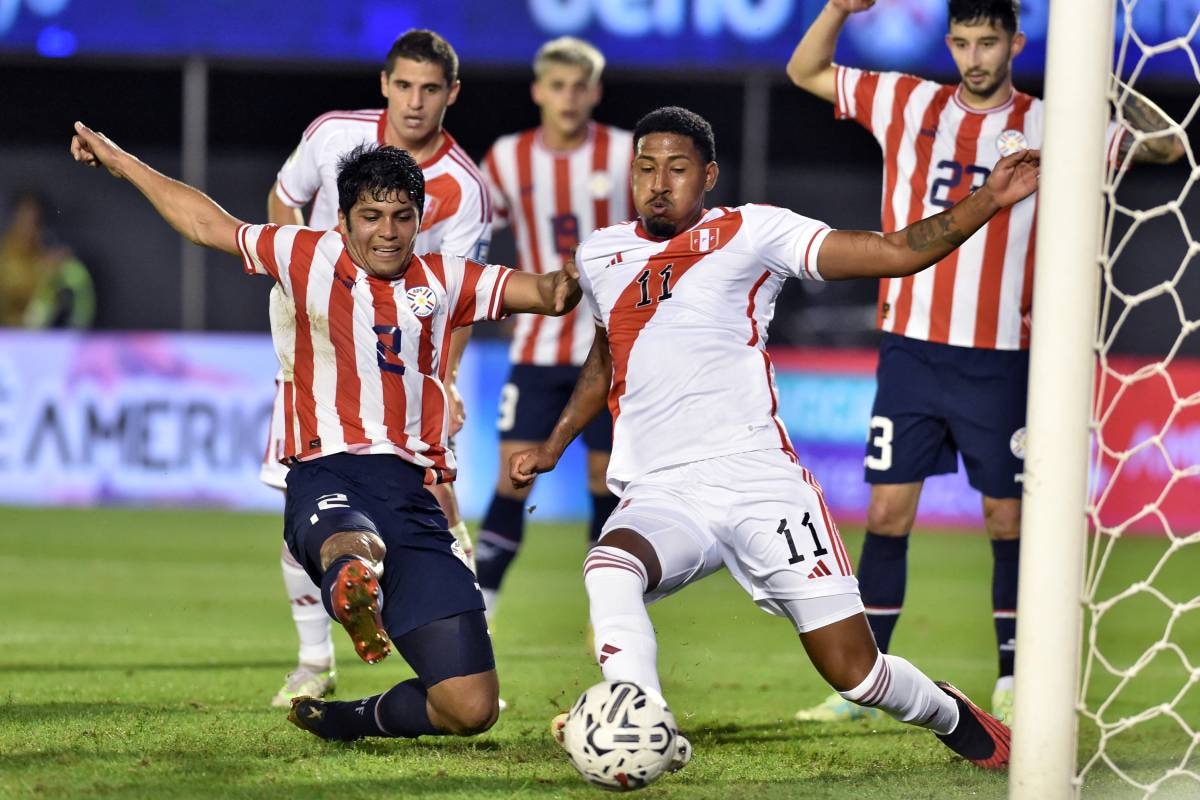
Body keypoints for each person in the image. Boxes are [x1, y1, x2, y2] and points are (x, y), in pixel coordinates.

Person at [510, 106, 1038, 771]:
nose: (658, 183)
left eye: (677, 169)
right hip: (664, 488)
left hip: (759, 482)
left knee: (858, 676)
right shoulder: (601, 252)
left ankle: (951, 712)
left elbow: (895, 253)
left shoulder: (754, 231)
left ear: (708, 176)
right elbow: (606, 361)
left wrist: (989, 197)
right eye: (646, 167)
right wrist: (555, 444)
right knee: (610, 567)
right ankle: (639, 720)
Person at [70, 125, 581, 742]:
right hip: (328, 472)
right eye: (371, 216)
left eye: (401, 216)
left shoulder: (447, 279)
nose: (387, 232)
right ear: (343, 220)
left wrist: (589, 269)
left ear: (420, 220)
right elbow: (209, 224)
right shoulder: (306, 254)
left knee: (470, 708)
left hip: (415, 496)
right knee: (350, 553)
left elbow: (549, 295)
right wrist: (122, 160)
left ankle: (350, 717)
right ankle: (352, 588)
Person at [785, 0, 1185, 725]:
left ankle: (1012, 675)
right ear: (949, 43)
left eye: (989, 42)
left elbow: (1169, 147)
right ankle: (867, 687)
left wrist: (1108, 85)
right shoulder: (906, 100)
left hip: (1001, 357)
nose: (975, 56)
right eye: (963, 42)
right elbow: (804, 69)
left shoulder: (1053, 123)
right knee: (886, 511)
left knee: (1007, 518)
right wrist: (839, 10)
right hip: (910, 347)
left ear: (1016, 44)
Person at [263, 28, 493, 708]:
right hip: (315, 334)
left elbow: (453, 296)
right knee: (301, 491)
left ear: (451, 95)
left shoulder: (464, 188)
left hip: (401, 354)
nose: (415, 102)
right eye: (404, 86)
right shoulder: (334, 134)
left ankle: (456, 641)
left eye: (430, 89)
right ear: (384, 85)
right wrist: (297, 276)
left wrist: (443, 379)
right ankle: (313, 661)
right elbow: (284, 196)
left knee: (436, 500)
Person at [475, 36, 633, 620]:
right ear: (539, 91)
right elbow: (475, 237)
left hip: (613, 350)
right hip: (537, 348)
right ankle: (478, 611)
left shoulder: (624, 154)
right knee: (513, 479)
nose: (568, 98)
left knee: (605, 483)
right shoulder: (508, 158)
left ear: (595, 92)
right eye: (558, 86)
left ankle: (608, 613)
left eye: (579, 86)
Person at [0, 190, 94, 328]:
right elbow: (11, 286)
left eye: (35, 220)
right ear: (15, 217)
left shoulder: (42, 246)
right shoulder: (7, 250)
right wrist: (43, 268)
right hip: (9, 332)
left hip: (42, 334)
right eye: (25, 218)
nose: (30, 225)